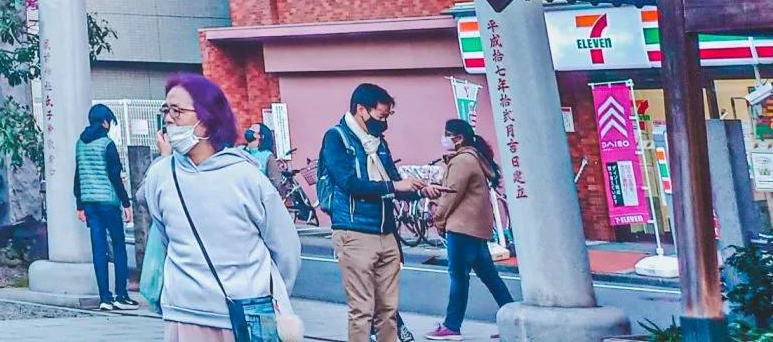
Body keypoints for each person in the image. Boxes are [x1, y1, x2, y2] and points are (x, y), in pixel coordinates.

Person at [139, 74, 302, 342]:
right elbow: (168, 239)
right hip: (186, 315)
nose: (168, 119)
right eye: (166, 110)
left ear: (206, 120)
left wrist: (269, 296)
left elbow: (286, 249)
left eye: (177, 111)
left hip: (249, 314)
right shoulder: (160, 176)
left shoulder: (247, 178)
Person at [319, 83, 424, 342]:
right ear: (361, 110)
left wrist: (421, 190)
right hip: (354, 232)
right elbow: (350, 183)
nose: (384, 122)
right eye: (380, 116)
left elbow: (395, 182)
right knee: (362, 310)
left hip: (386, 232)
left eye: (387, 117)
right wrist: (393, 186)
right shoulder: (336, 138)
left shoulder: (379, 143)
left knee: (388, 310)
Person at [427, 118, 512, 339]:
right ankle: (512, 321)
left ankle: (451, 326)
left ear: (458, 138)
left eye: (448, 134)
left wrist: (438, 220)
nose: (445, 138)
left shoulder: (462, 161)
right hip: (476, 229)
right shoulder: (475, 158)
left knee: (458, 276)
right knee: (490, 277)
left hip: (462, 228)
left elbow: (450, 195)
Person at [77, 102, 140, 310]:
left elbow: (78, 175)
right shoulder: (107, 144)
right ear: (105, 122)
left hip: (89, 204)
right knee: (119, 247)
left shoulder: (81, 143)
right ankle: (121, 295)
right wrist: (126, 202)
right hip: (108, 203)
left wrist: (79, 204)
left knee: (99, 249)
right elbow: (114, 176)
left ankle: (105, 298)